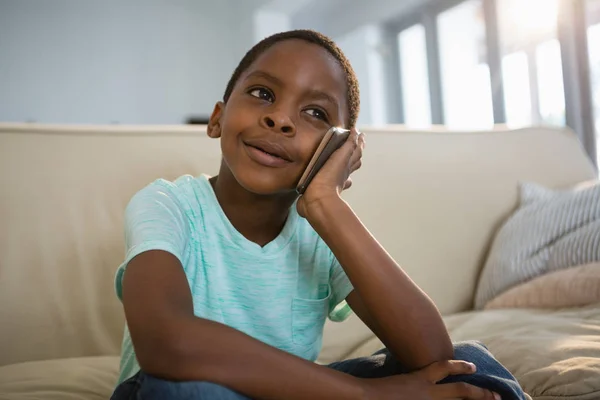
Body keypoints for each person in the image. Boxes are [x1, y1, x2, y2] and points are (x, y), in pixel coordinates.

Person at [110, 29, 527, 400]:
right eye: (262, 94)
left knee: (468, 365)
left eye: (315, 114)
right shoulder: (167, 205)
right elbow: (167, 343)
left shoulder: (319, 230)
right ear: (218, 119)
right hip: (176, 386)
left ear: (341, 150)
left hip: (295, 392)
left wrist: (326, 203)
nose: (280, 119)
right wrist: (367, 393)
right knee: (187, 389)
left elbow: (432, 355)